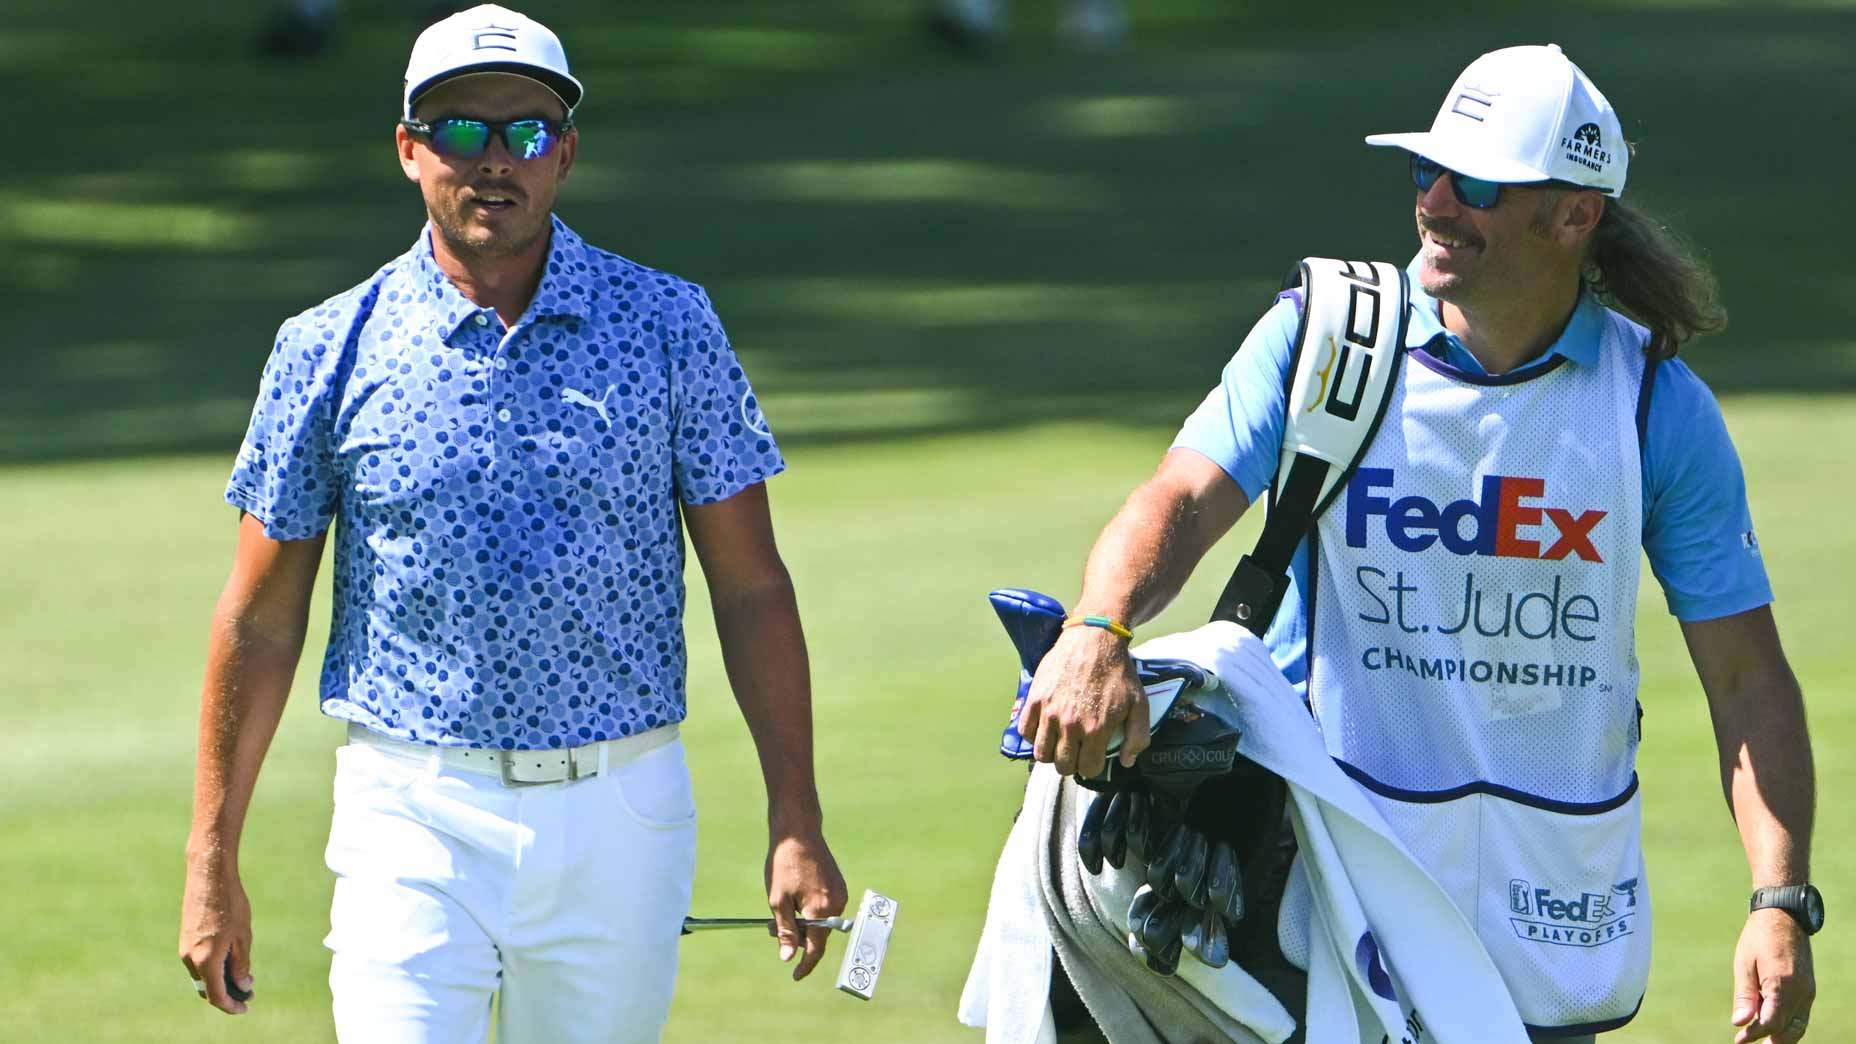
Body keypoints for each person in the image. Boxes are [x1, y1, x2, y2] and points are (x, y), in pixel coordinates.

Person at [1014, 44, 1817, 1044]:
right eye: (1424, 170)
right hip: (1316, 878)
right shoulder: (1326, 338)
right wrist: (1098, 628)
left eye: (1474, 184)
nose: (1433, 202)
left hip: (1544, 904)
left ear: (1574, 215)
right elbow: (1179, 494)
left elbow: (1746, 679)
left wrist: (1779, 902)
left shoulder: (1655, 404)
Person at [177, 5, 847, 1041]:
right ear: (408, 150)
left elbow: (751, 584)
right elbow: (261, 617)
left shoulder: (669, 324)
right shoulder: (325, 347)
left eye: (527, 132)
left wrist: (794, 815)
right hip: (409, 812)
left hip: (620, 812)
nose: (495, 159)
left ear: (565, 153)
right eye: (459, 130)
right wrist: (210, 859)